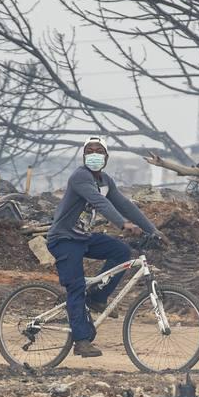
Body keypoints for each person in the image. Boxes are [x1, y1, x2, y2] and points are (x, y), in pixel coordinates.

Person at [45, 137, 159, 357]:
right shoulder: (80, 176)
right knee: (76, 287)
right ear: (84, 155)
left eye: (99, 151)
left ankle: (97, 297)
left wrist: (153, 230)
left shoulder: (105, 181)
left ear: (106, 157)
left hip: (83, 238)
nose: (94, 154)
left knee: (121, 252)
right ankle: (81, 341)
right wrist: (122, 224)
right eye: (90, 150)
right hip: (64, 239)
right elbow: (100, 202)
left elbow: (125, 204)